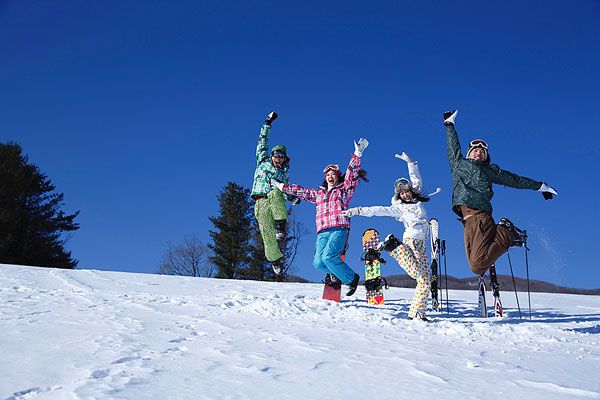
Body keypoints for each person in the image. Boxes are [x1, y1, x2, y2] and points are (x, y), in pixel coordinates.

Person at [443, 109, 558, 276]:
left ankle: (507, 232)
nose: (479, 152)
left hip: (480, 218)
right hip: (467, 222)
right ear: (469, 153)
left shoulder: (489, 171)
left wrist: (540, 186)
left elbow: (514, 180)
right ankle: (504, 236)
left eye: (482, 152)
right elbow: (452, 146)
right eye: (475, 150)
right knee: (476, 265)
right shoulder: (458, 164)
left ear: (486, 157)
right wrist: (449, 125)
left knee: (477, 265)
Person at [342, 152, 437, 321]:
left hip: (422, 244)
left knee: (424, 280)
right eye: (402, 193)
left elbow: (416, 180)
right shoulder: (399, 208)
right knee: (418, 274)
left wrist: (410, 162)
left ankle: (417, 313)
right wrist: (356, 211)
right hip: (411, 241)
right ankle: (393, 246)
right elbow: (376, 210)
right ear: (398, 196)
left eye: (407, 191)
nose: (406, 195)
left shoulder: (418, 200)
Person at [271, 138, 369, 296]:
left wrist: (357, 154)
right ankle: (335, 274)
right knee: (318, 262)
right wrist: (281, 186)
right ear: (325, 177)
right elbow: (301, 191)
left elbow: (351, 175)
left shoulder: (344, 190)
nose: (331, 176)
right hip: (322, 231)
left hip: (339, 228)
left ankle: (352, 279)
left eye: (333, 174)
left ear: (338, 176)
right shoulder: (319, 194)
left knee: (329, 257)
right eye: (328, 174)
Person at [250, 111, 300, 276]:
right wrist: (267, 123)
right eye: (276, 155)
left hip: (274, 199)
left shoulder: (283, 173)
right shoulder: (262, 161)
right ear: (271, 156)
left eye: (281, 157)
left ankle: (280, 225)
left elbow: (284, 190)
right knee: (266, 234)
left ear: (285, 159)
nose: (278, 159)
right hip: (260, 202)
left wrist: (292, 198)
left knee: (276, 192)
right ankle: (275, 260)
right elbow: (262, 142)